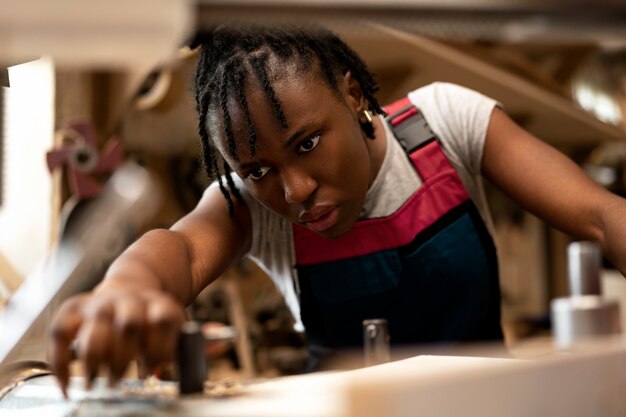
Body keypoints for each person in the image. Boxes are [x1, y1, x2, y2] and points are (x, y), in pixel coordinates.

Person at [48, 25, 626, 395]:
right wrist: (127, 287)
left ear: (353, 95)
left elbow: (600, 214)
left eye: (306, 144)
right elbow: (177, 247)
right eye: (258, 169)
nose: (293, 190)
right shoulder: (253, 203)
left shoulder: (444, 122)